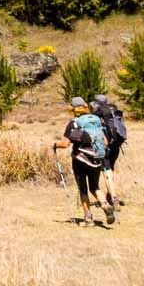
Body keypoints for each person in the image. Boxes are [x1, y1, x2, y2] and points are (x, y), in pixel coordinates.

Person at [54, 96, 114, 225]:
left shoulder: (74, 123)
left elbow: (65, 144)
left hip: (80, 159)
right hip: (96, 158)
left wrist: (55, 145)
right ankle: (105, 204)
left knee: (83, 189)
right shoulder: (96, 120)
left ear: (73, 109)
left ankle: (88, 219)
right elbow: (105, 141)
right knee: (95, 187)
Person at [92, 93, 128, 206]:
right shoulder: (114, 109)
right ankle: (110, 194)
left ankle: (113, 197)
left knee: (106, 171)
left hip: (106, 145)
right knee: (110, 169)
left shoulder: (98, 112)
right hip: (116, 145)